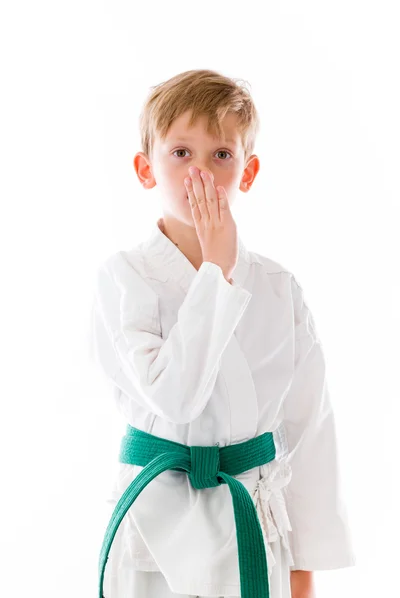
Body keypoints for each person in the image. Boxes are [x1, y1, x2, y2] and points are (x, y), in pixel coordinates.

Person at [90, 69, 356, 598]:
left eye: (222, 155)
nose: (202, 175)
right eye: (181, 153)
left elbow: (309, 429)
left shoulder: (280, 289)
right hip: (153, 532)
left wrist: (306, 567)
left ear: (248, 171)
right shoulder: (123, 278)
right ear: (146, 169)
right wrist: (216, 274)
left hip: (253, 523)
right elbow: (176, 398)